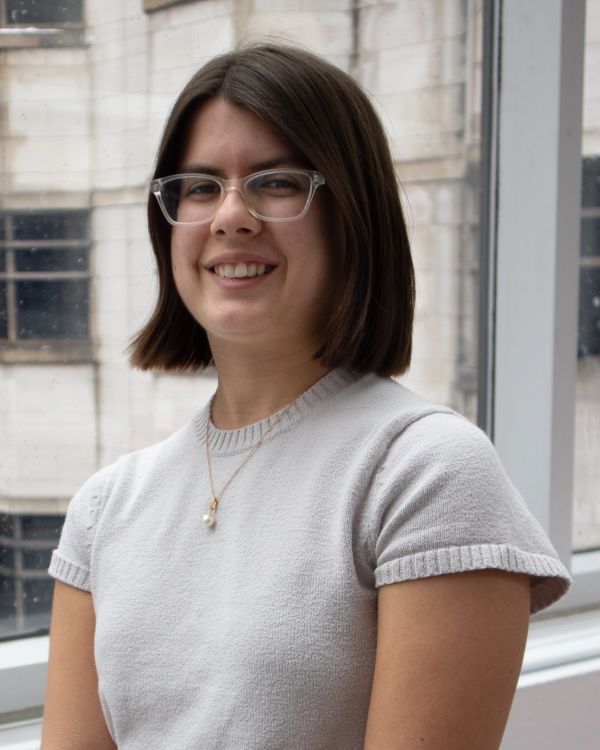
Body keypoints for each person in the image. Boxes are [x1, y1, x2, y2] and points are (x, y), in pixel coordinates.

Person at [41, 44, 570, 750]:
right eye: (199, 187)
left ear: (351, 213)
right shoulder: (105, 509)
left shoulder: (426, 472)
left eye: (276, 182)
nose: (230, 215)